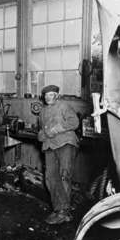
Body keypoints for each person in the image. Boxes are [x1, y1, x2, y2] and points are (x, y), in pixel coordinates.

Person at [37, 85, 79, 225]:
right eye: (46, 95)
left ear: (56, 95)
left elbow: (74, 122)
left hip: (65, 143)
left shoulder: (64, 106)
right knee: (50, 177)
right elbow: (42, 130)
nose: (48, 97)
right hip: (49, 145)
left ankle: (64, 211)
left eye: (51, 94)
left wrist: (55, 130)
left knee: (64, 175)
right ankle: (59, 209)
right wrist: (41, 135)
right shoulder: (42, 112)